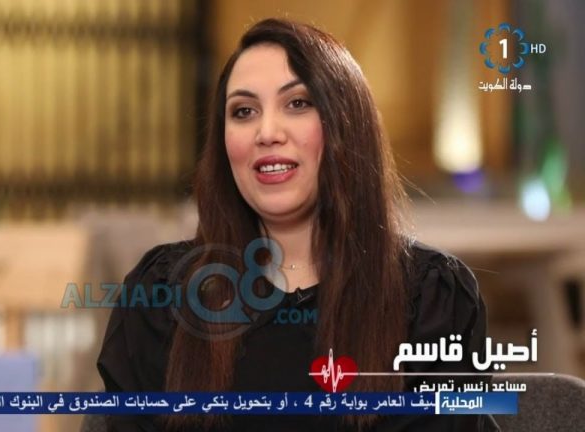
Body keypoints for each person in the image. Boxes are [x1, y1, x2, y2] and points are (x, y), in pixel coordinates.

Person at [97, 18, 500, 432]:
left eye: (298, 103)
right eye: (243, 111)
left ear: (347, 125)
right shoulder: (161, 296)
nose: (267, 132)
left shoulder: (432, 300)